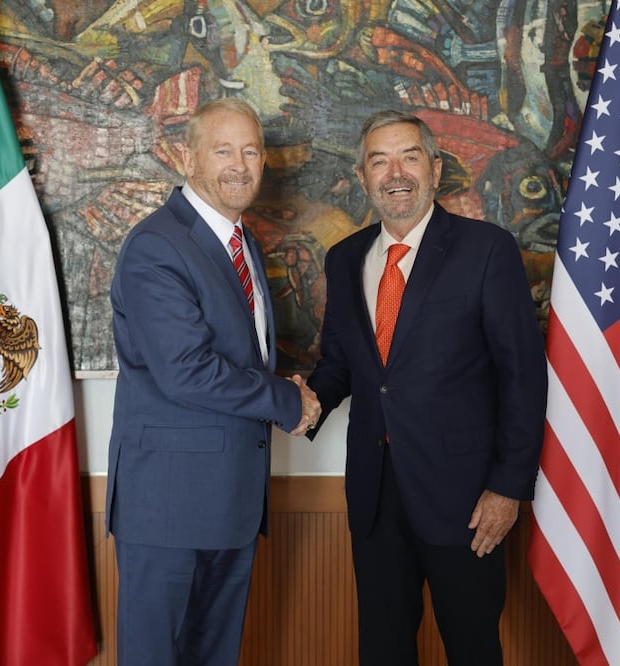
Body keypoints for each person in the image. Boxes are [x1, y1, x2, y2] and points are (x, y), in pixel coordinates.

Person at [307, 109, 548, 665]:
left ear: (435, 169)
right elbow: (341, 363)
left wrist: (508, 488)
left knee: (473, 650)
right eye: (380, 161)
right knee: (383, 651)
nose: (396, 173)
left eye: (409, 157)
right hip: (375, 494)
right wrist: (306, 402)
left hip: (466, 498)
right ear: (363, 176)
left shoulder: (487, 250)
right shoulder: (344, 259)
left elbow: (523, 376)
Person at [106, 97, 321, 666]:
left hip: (232, 502)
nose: (239, 165)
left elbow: (240, 355)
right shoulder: (157, 245)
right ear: (188, 159)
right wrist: (287, 400)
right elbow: (186, 369)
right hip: (169, 506)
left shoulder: (241, 243)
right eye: (223, 150)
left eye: (250, 151)